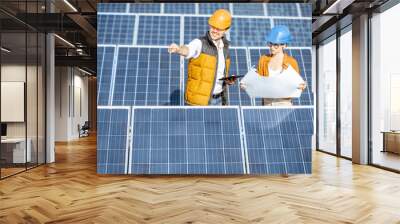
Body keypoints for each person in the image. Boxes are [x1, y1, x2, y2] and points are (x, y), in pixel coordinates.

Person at [168, 9, 235, 106]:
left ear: (226, 29)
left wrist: (228, 80)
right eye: (213, 27)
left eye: (219, 28)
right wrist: (179, 49)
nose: (215, 30)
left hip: (220, 99)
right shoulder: (199, 43)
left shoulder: (225, 47)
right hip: (199, 102)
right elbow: (188, 50)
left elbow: (219, 73)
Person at [243, 25, 306, 106]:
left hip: (284, 103)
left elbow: (296, 85)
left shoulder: (292, 62)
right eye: (270, 44)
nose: (272, 47)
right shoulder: (263, 60)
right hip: (267, 103)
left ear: (284, 45)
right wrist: (247, 85)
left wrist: (301, 86)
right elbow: (257, 81)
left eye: (276, 45)